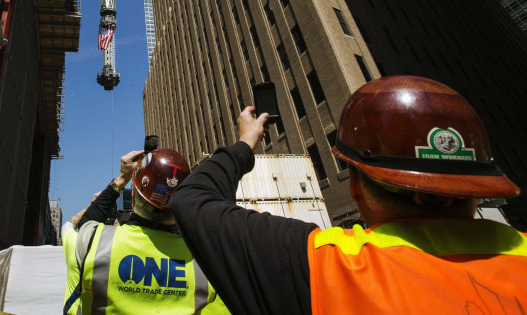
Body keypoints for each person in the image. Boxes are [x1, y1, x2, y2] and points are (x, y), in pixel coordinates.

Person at [170, 75, 527, 315]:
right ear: (476, 189)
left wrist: (245, 142)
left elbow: (191, 200)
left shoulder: (326, 266)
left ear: (356, 185)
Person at [63, 149, 228, 314]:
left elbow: (80, 225)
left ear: (133, 196)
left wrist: (121, 180)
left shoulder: (93, 244)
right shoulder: (210, 261)